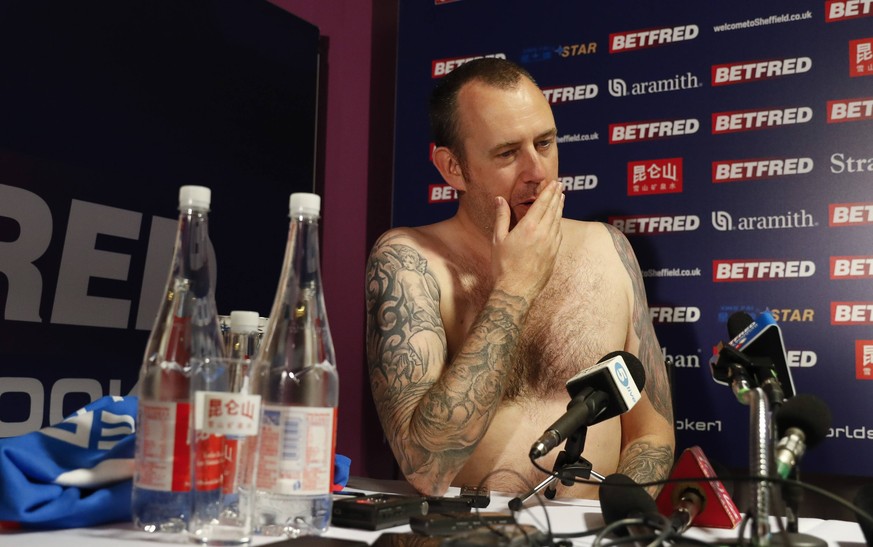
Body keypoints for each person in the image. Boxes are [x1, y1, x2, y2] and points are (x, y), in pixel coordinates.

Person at [365, 57, 674, 499]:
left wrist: (621, 520)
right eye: (508, 153)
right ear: (453, 168)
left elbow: (652, 433)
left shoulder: (609, 249)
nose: (537, 171)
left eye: (545, 143)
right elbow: (426, 467)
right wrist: (513, 290)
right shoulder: (408, 260)